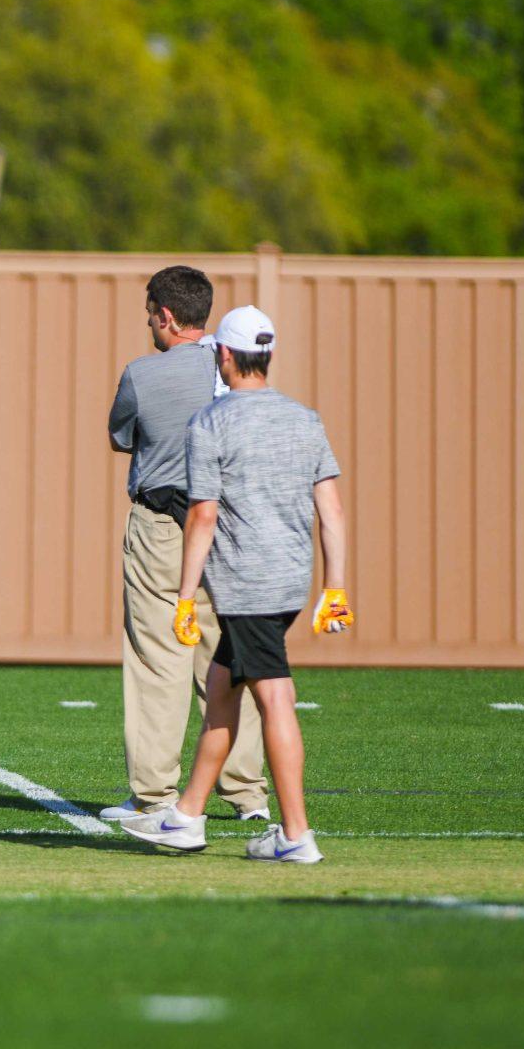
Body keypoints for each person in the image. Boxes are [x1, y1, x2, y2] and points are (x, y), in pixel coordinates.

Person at [120, 306, 349, 860]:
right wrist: (334, 587)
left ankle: (296, 835)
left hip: (246, 582)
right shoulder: (305, 418)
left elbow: (202, 515)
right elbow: (332, 510)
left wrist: (182, 595)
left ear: (224, 355)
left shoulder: (212, 423)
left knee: (275, 698)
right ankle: (187, 817)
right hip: (290, 580)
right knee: (222, 689)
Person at [102, 265, 269, 827]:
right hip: (230, 527)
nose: (149, 321)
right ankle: (246, 792)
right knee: (228, 658)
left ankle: (153, 795)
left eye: (151, 311)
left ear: (167, 316)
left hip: (163, 527)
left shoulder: (141, 374)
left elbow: (122, 436)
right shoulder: (237, 364)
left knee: (158, 659)